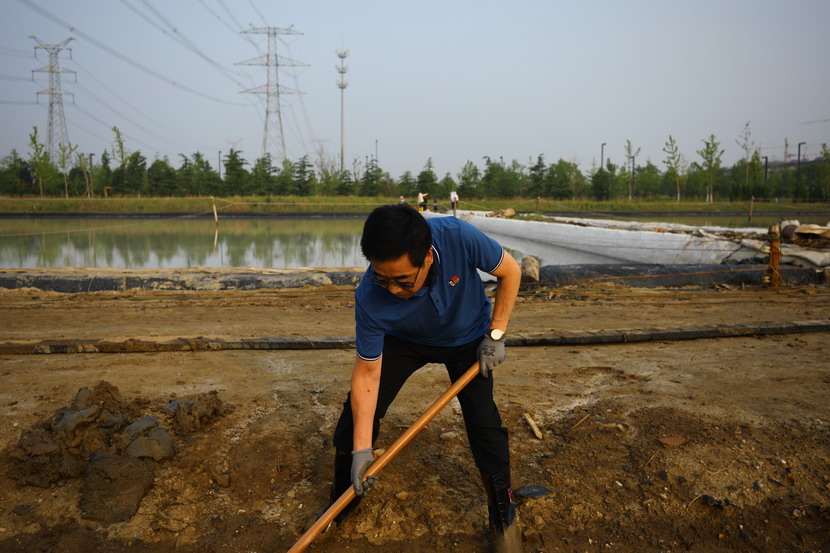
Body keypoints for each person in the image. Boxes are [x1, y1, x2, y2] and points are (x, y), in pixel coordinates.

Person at [326, 204, 523, 551]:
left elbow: (511, 271)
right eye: (382, 278)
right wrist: (361, 449)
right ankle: (342, 503)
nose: (392, 290)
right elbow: (367, 374)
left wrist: (495, 334)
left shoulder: (459, 237)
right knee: (354, 419)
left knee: (484, 423)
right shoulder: (370, 297)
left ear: (428, 258)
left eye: (402, 280)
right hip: (405, 340)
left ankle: (502, 513)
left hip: (467, 339)